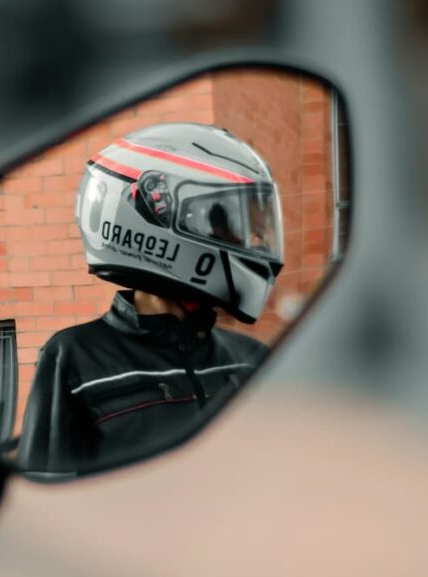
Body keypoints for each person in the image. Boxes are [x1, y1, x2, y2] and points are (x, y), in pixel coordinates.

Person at [17, 123, 286, 475]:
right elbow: (47, 481)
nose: (249, 240)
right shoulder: (73, 358)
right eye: (227, 225)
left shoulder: (250, 357)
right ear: (157, 213)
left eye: (253, 229)